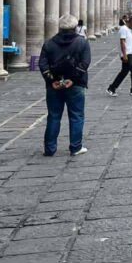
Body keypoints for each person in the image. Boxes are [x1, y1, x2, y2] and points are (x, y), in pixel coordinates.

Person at [39, 14, 92, 156]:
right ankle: (75, 147)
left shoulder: (49, 43)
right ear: (75, 27)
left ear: (59, 27)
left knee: (54, 116)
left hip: (54, 85)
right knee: (76, 116)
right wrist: (72, 79)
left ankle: (49, 149)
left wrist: (52, 81)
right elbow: (85, 63)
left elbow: (42, 65)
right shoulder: (82, 42)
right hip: (75, 85)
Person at [107, 15, 132, 96]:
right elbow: (122, 42)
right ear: (131, 22)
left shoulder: (128, 30)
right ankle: (111, 88)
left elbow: (130, 41)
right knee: (124, 72)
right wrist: (124, 55)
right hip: (127, 54)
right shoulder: (123, 29)